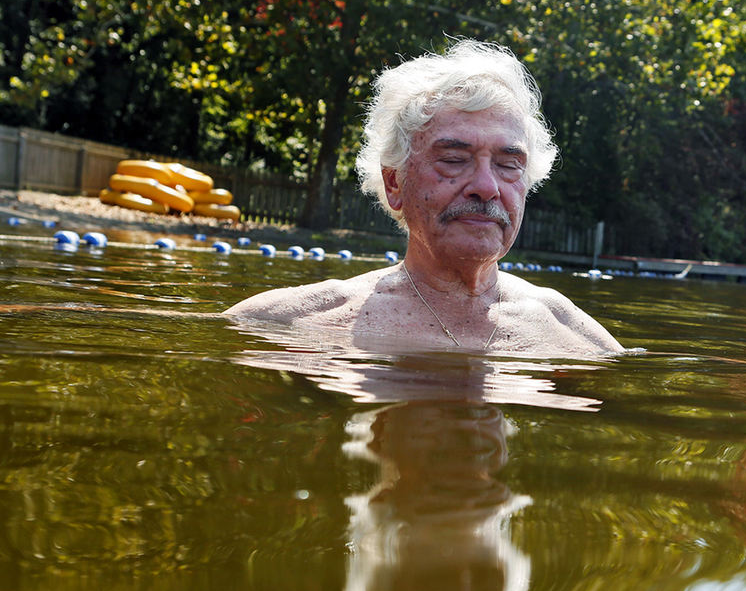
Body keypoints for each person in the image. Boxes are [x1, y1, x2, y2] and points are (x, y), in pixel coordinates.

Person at [225, 40, 623, 357]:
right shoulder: (283, 324)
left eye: (508, 164)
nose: (486, 186)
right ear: (395, 184)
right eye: (454, 159)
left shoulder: (578, 341)